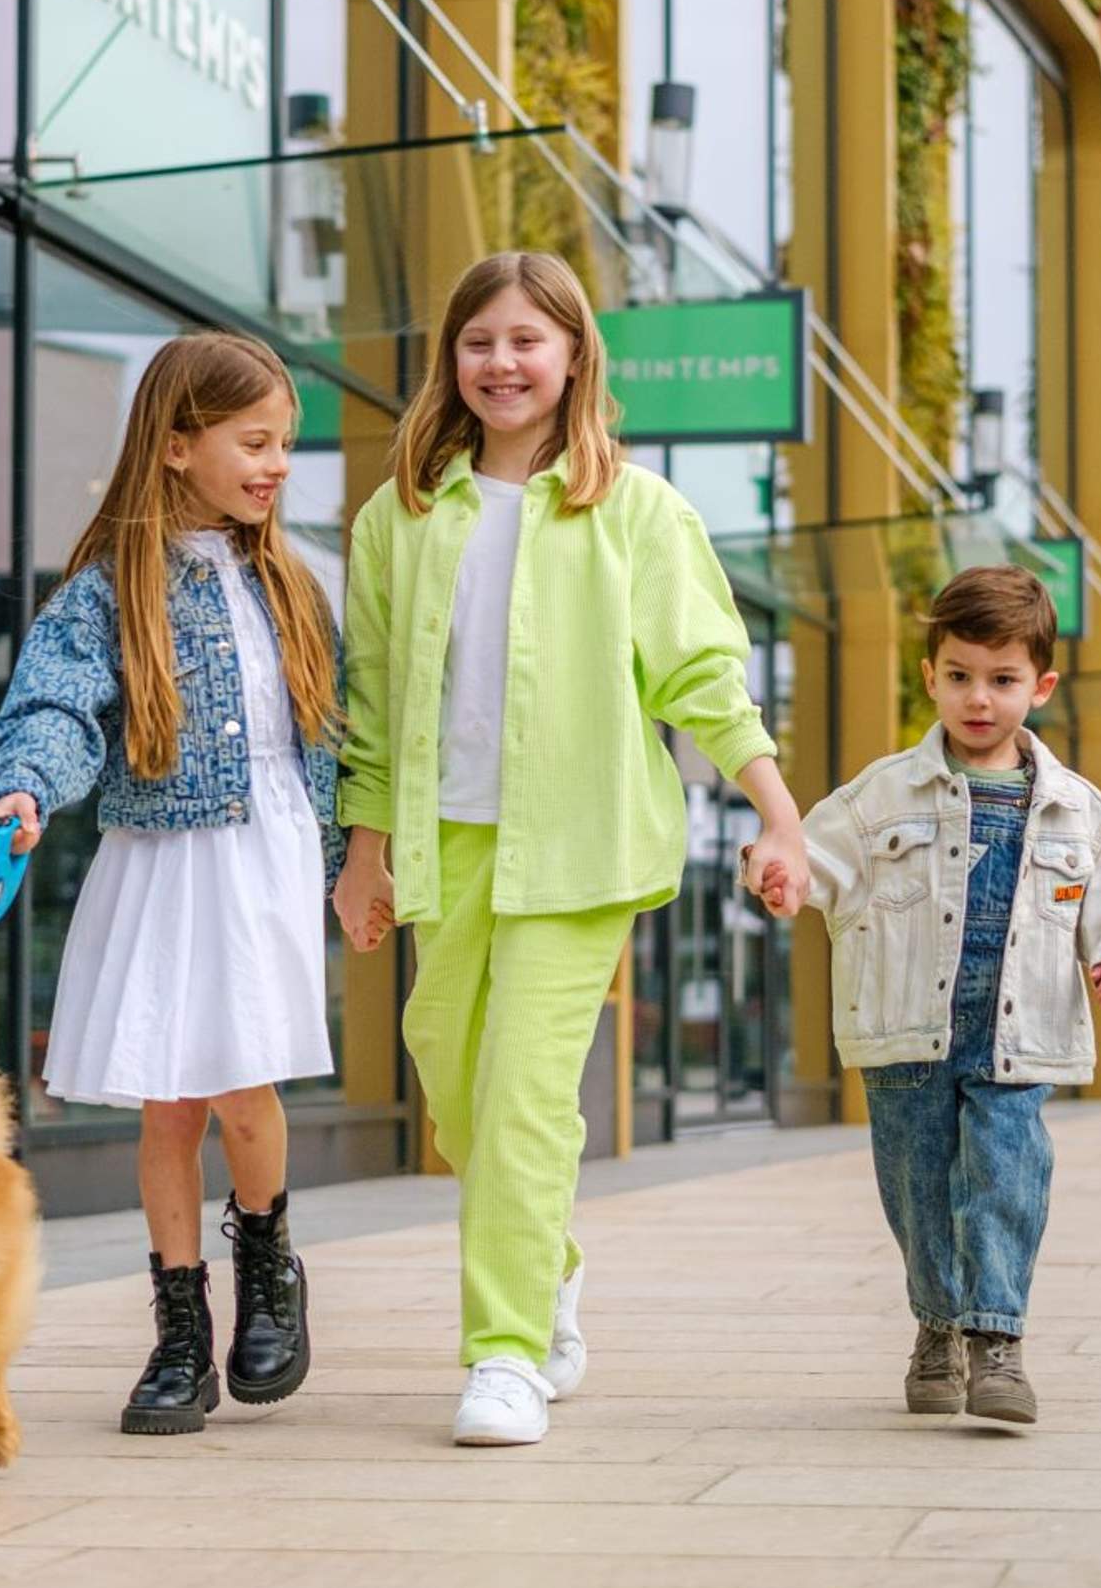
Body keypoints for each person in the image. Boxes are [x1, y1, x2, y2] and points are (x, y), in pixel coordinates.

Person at [334, 250, 810, 1447]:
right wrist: (365, 850)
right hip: (447, 847)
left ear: (572, 356)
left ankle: (503, 1357)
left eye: (525, 340)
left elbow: (702, 677)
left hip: (582, 845)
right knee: (450, 1072)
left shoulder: (640, 513)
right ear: (453, 359)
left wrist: (776, 807)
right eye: (480, 340)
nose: (502, 362)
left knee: (529, 1097)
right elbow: (378, 698)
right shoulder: (401, 515)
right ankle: (548, 1268)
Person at [0, 332, 343, 1436]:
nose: (277, 463)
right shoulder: (108, 589)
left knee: (244, 1087)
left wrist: (353, 864)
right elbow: (52, 704)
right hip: (159, 858)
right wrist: (27, 788)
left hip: (261, 861)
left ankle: (268, 1264)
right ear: (178, 445)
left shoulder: (291, 583)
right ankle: (180, 1329)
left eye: (285, 443)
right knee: (170, 1102)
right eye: (255, 441)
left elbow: (334, 740)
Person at [786, 564, 1101, 1423]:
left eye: (1002, 680)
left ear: (1042, 686)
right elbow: (814, 861)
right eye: (959, 677)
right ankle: (936, 1325)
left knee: (1007, 1174)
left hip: (1016, 1033)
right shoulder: (881, 795)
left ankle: (997, 1342)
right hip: (908, 1028)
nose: (978, 699)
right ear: (930, 676)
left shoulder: (1079, 812)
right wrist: (779, 875)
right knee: (915, 1187)